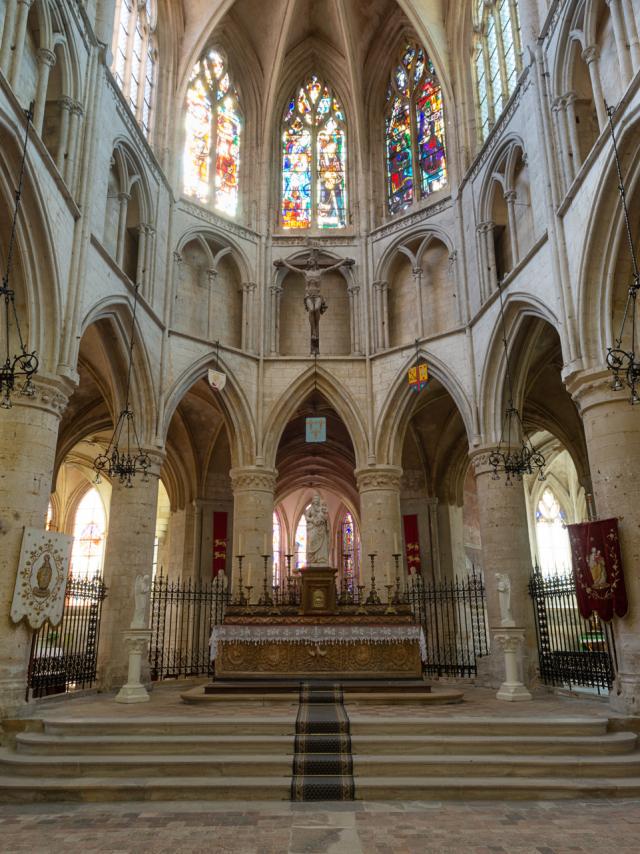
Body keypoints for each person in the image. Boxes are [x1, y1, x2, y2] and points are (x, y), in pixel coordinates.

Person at [305, 494, 330, 565]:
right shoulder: (310, 509)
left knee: (323, 545)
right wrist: (312, 520)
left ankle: (321, 559)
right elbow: (306, 517)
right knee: (311, 541)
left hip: (321, 528)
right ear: (313, 501)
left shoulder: (321, 508)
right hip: (313, 528)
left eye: (317, 500)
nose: (316, 502)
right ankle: (312, 559)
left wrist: (323, 518)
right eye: (315, 500)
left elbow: (326, 518)